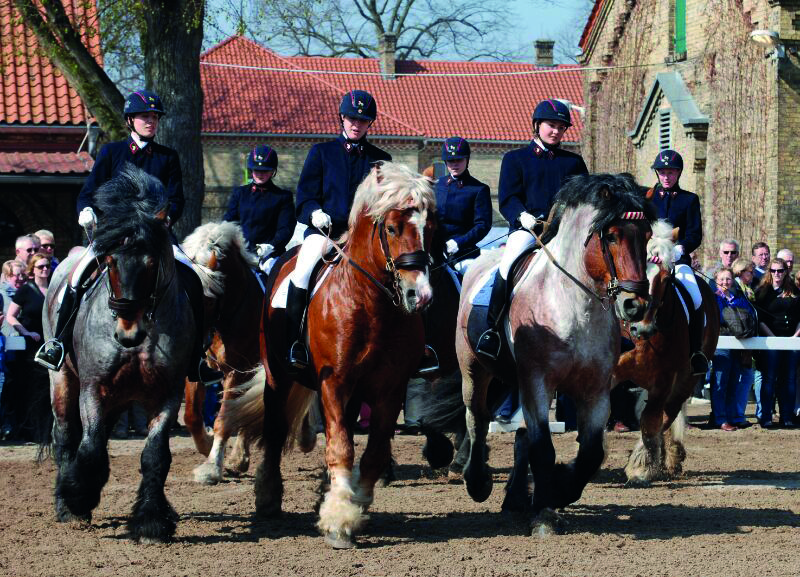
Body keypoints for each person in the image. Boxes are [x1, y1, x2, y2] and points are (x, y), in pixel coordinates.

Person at [34, 90, 218, 383]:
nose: (151, 121)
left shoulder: (167, 157)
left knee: (193, 278)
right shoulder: (112, 152)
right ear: (131, 120)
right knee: (75, 276)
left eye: (155, 117)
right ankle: (57, 342)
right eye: (146, 116)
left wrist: (166, 219)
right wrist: (85, 210)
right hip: (115, 236)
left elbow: (177, 198)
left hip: (155, 236)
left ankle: (195, 356)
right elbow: (89, 191)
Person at [287, 90, 391, 370]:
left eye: (363, 120)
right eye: (352, 118)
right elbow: (305, 197)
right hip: (326, 234)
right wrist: (314, 213)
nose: (356, 124)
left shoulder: (381, 160)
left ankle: (412, 347)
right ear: (342, 118)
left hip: (364, 240)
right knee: (303, 270)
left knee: (400, 275)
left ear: (370, 124)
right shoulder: (322, 152)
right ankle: (294, 341)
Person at [476, 99, 588, 359]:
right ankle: (492, 329)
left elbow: (585, 200)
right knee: (507, 263)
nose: (556, 131)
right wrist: (522, 215)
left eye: (562, 127)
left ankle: (612, 330)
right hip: (530, 230)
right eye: (551, 125)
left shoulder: (574, 163)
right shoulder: (516, 159)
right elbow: (507, 198)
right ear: (537, 126)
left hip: (565, 233)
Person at [645, 149, 708, 375]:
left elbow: (695, 233)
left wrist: (680, 247)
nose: (666, 176)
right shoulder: (647, 198)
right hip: (649, 258)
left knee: (696, 294)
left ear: (678, 173)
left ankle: (696, 350)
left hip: (677, 259)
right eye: (662, 172)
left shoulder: (689, 199)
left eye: (670, 172)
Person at [223, 144, 295, 272]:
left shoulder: (283, 197)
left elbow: (286, 229)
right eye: (256, 170)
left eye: (265, 171)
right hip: (242, 253)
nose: (260, 174)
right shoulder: (239, 193)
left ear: (272, 171)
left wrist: (271, 246)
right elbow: (229, 222)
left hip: (270, 255)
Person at [5, 253, 53, 441]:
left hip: (50, 345)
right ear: (32, 270)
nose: (45, 269)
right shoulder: (26, 290)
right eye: (40, 266)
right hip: (31, 346)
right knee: (31, 388)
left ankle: (47, 430)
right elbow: (11, 316)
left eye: (47, 266)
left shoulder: (54, 287)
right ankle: (31, 430)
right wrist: (25, 332)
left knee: (49, 387)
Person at [434, 136, 492, 272]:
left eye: (459, 160)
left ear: (467, 160)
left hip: (463, 253)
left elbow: (483, 225)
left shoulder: (478, 189)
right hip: (435, 250)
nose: (455, 164)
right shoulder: (436, 185)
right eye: (450, 161)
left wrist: (458, 243)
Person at [754, 257, 800, 428]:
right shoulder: (763, 291)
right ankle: (766, 416)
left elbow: (799, 316)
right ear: (769, 272)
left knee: (788, 379)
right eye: (773, 270)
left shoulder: (794, 290)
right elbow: (760, 319)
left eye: (780, 270)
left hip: (792, 341)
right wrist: (772, 338)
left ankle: (786, 416)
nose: (777, 274)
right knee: (769, 379)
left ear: (785, 272)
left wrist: (795, 337)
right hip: (770, 340)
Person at [710, 267, 755, 431]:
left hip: (739, 346)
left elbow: (749, 313)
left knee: (733, 383)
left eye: (728, 279)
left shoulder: (739, 297)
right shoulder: (714, 299)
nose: (725, 282)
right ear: (716, 280)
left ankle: (729, 416)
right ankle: (719, 418)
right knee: (720, 383)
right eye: (721, 279)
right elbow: (721, 317)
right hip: (722, 345)